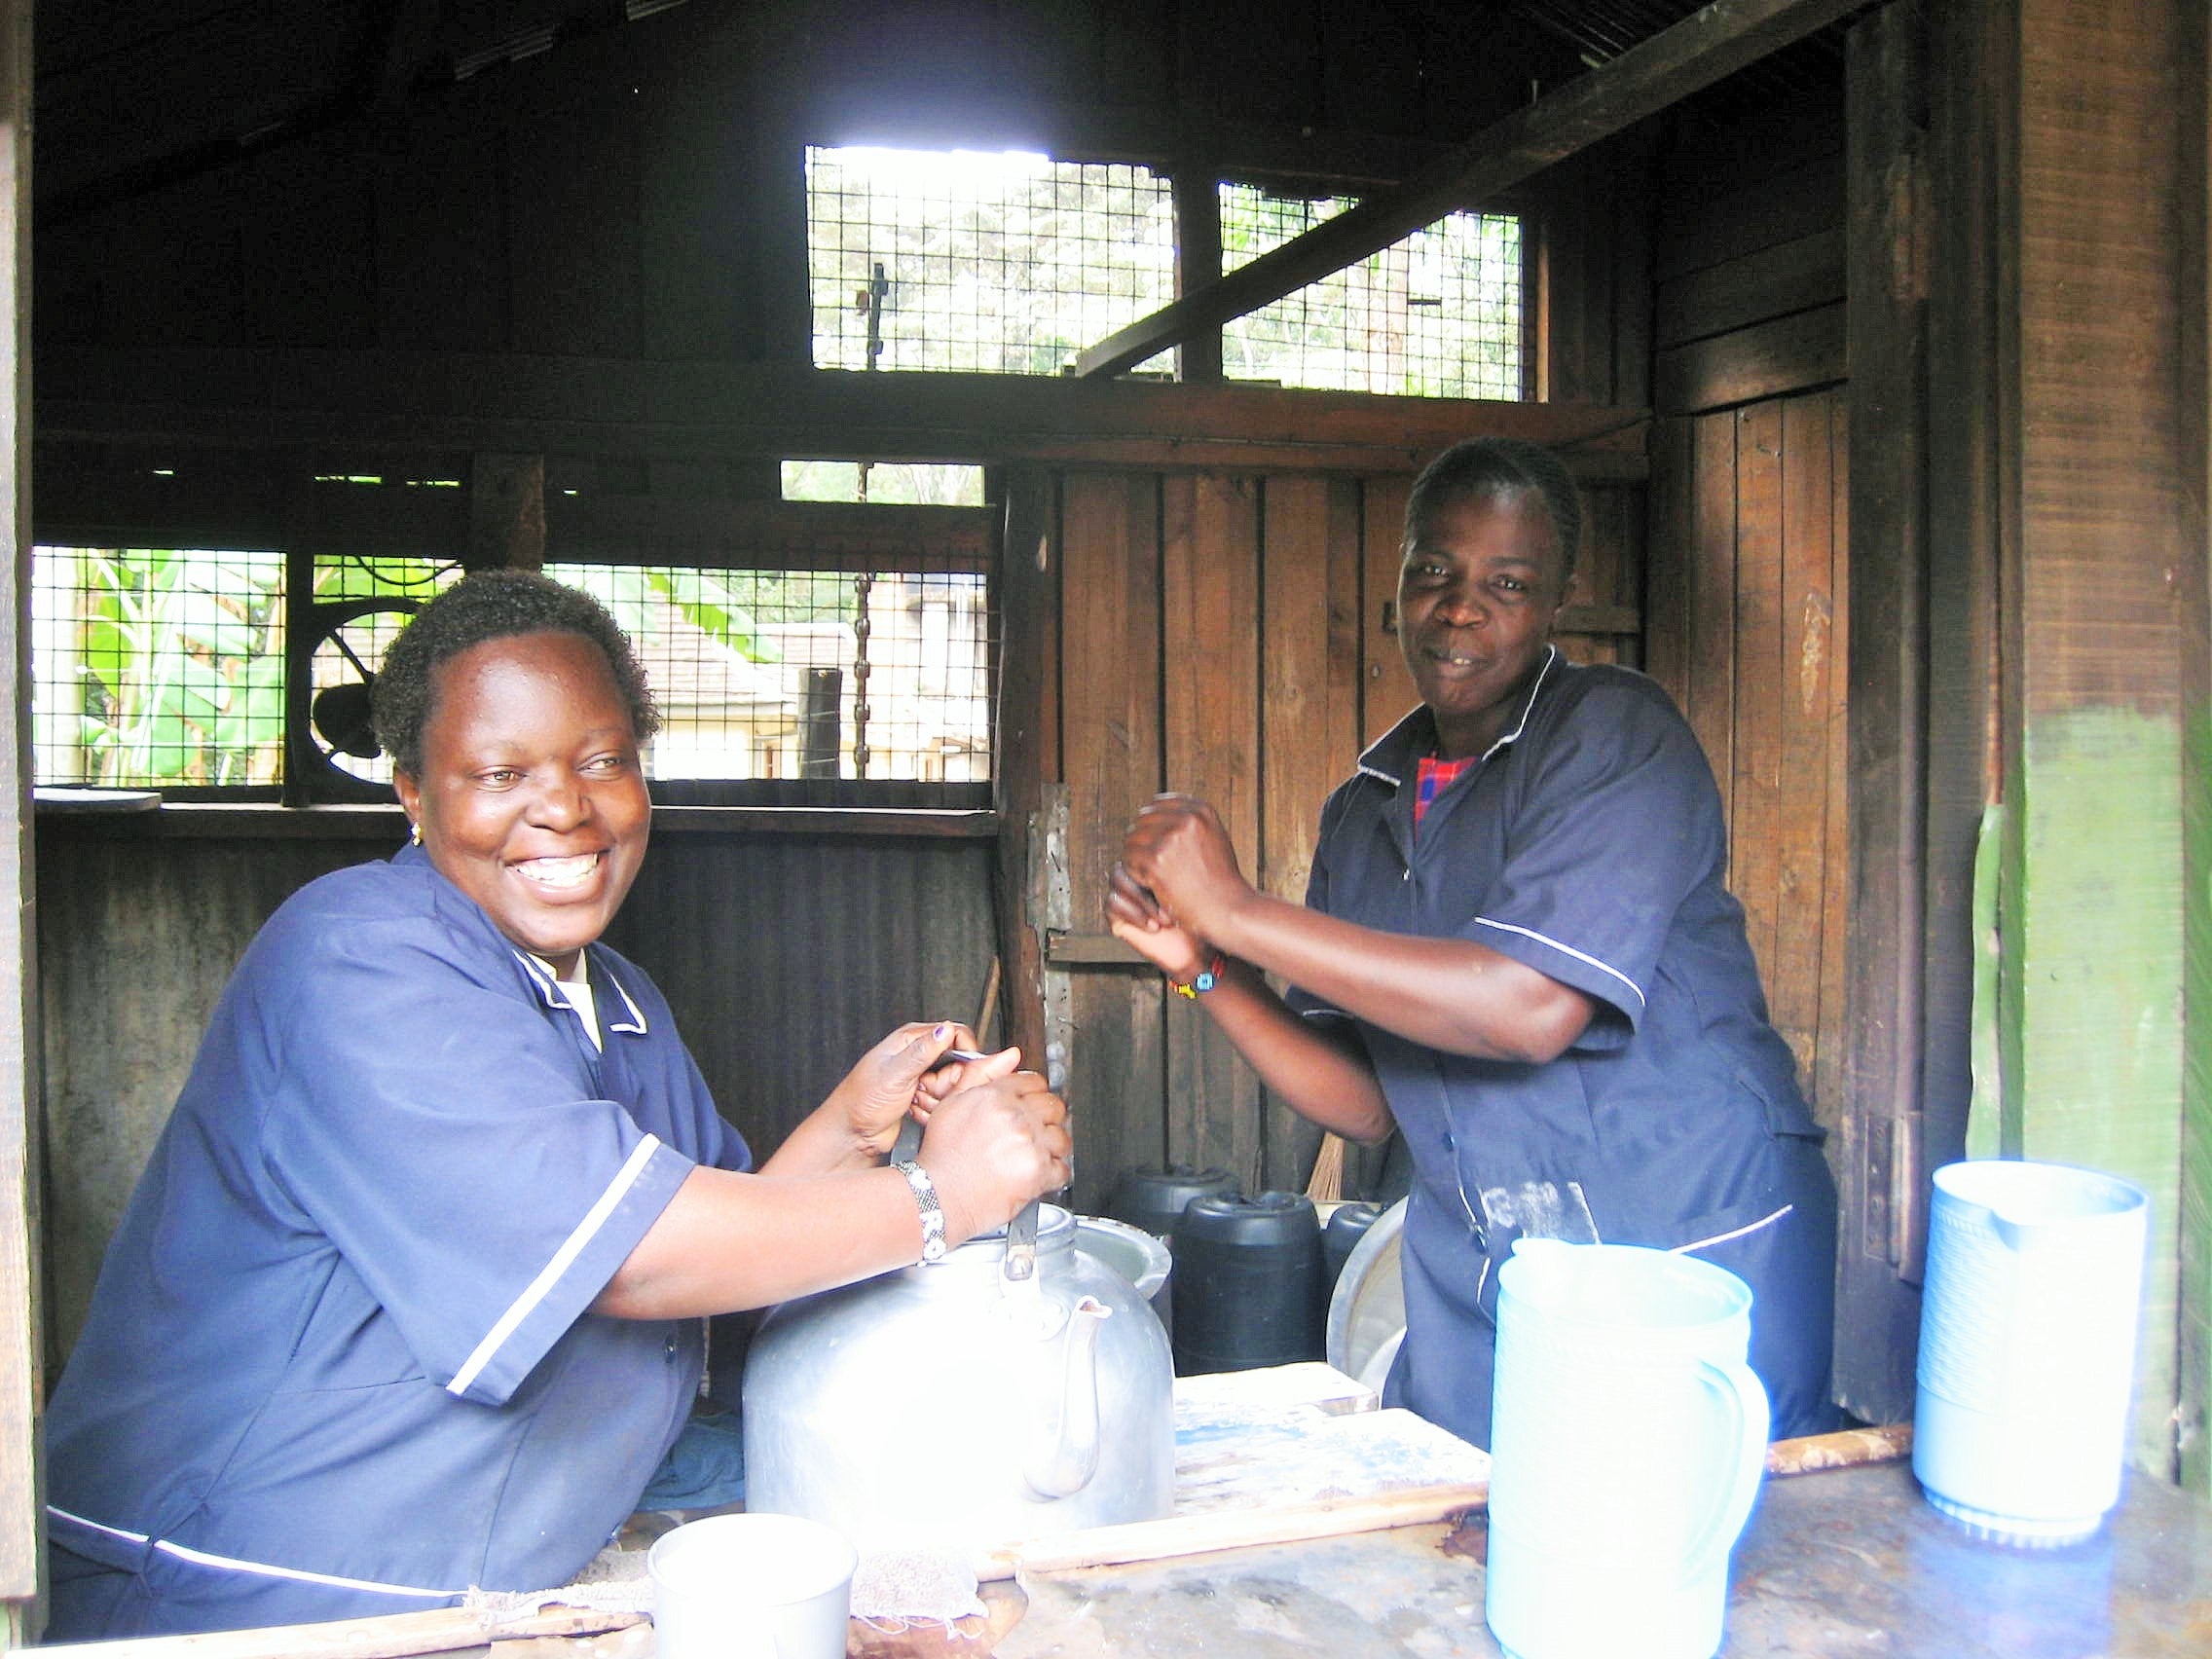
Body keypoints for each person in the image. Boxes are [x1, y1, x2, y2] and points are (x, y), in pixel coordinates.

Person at [42, 571, 1069, 1640]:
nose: (567, 807)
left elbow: (714, 1258)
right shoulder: (357, 957)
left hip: (481, 1572)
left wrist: (856, 1127)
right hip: (250, 1584)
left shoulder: (615, 1001)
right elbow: (635, 1259)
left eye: (603, 762)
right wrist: (947, 1191)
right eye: (501, 771)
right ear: (412, 792)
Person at [1108, 436, 1838, 1450]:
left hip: (1680, 1237)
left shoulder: (1616, 738)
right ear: (1397, 584)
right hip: (1496, 1268)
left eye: (1507, 582)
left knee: (1689, 1552)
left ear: (1555, 604)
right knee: (1475, 1551)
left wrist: (1234, 910)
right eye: (1434, 573)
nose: (1460, 609)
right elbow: (1367, 1104)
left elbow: (1528, 1008)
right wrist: (1200, 968)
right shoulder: (1364, 811)